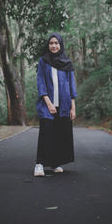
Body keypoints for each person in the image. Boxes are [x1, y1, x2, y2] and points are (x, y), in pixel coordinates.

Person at [34, 32, 77, 177]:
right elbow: (41, 82)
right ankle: (39, 165)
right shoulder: (43, 61)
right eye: (51, 43)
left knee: (59, 134)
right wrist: (48, 102)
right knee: (46, 133)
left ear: (61, 44)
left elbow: (72, 86)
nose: (53, 46)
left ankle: (55, 163)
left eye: (56, 43)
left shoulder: (67, 63)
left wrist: (73, 107)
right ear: (48, 45)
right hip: (47, 104)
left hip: (64, 105)